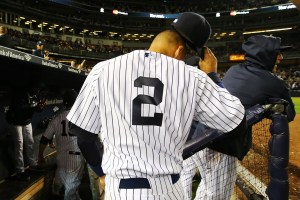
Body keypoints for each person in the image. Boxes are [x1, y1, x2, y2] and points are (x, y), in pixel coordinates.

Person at [66, 12, 246, 200]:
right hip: (168, 190)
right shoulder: (193, 77)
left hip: (119, 191)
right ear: (179, 51)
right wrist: (212, 76)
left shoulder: (102, 70)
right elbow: (236, 121)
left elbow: (83, 136)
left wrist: (100, 173)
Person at [181, 35, 296, 200]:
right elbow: (289, 113)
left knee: (206, 189)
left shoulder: (234, 70)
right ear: (265, 54)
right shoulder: (272, 82)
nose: (280, 58)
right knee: (217, 196)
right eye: (276, 53)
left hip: (201, 138)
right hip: (223, 144)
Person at [38, 89, 85, 200]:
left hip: (61, 159)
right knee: (70, 193)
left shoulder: (56, 118)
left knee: (57, 188)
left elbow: (44, 139)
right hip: (75, 159)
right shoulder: (81, 118)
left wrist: (40, 156)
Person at [6, 84, 46, 181]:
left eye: (39, 89)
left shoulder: (37, 96)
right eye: (36, 88)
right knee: (19, 145)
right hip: (16, 122)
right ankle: (20, 171)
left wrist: (40, 108)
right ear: (31, 87)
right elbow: (21, 110)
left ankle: (33, 164)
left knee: (30, 142)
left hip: (26, 121)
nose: (37, 90)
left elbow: (35, 109)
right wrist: (35, 107)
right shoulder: (20, 95)